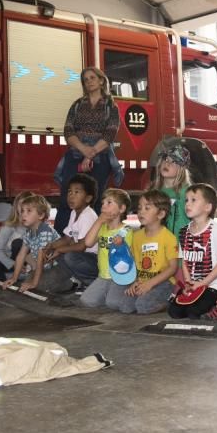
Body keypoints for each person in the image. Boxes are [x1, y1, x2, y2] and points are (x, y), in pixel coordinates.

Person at [53, 67, 122, 232]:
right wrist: (84, 150)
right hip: (76, 153)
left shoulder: (111, 106)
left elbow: (110, 133)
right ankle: (61, 236)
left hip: (101, 156)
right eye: (85, 79)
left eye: (92, 78)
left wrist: (91, 154)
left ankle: (94, 239)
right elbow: (68, 131)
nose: (89, 81)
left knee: (96, 198)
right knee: (68, 196)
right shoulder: (77, 105)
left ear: (101, 80)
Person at [112, 190, 179, 314]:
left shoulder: (169, 237)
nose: (141, 211)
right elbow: (134, 265)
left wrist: (150, 284)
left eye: (147, 208)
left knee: (143, 306)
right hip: (142, 281)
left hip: (162, 282)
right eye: (139, 208)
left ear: (161, 214)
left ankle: (169, 302)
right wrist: (134, 283)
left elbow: (172, 268)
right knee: (125, 307)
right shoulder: (137, 236)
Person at [168, 183, 217, 319]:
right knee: (174, 312)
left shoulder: (216, 230)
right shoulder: (184, 231)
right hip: (193, 284)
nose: (187, 204)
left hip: (213, 285)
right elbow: (184, 260)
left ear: (208, 207)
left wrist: (203, 283)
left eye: (193, 200)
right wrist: (188, 282)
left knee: (193, 312)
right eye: (186, 200)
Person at [78, 189, 133, 308]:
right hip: (103, 276)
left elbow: (130, 255)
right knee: (86, 300)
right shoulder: (102, 227)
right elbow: (88, 243)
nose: (104, 206)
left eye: (109, 203)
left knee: (113, 303)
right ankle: (108, 294)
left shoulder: (127, 230)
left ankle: (123, 294)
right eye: (103, 203)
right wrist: (99, 221)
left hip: (120, 277)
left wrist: (120, 246)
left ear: (121, 209)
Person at [46, 173, 100, 290]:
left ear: (88, 198)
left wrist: (59, 249)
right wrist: (50, 246)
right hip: (82, 257)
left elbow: (81, 246)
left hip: (94, 260)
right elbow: (67, 238)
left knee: (69, 256)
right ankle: (77, 279)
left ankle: (92, 283)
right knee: (60, 256)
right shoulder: (74, 212)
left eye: (76, 192)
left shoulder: (87, 215)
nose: (71, 196)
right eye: (69, 192)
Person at [0, 195, 60, 294]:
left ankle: (69, 282)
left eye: (29, 211)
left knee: (38, 286)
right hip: (43, 267)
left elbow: (41, 258)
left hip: (56, 267)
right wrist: (14, 278)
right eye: (22, 211)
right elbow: (21, 255)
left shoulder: (45, 232)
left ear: (40, 215)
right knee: (25, 284)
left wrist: (34, 283)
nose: (23, 215)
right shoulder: (29, 232)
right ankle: (34, 278)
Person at [0, 191, 35, 283]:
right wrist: (13, 264)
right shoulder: (9, 226)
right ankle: (17, 276)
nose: (24, 211)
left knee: (18, 243)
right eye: (21, 207)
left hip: (27, 262)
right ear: (16, 208)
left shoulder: (36, 227)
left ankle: (24, 274)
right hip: (10, 261)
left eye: (28, 208)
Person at [147, 142, 193, 240]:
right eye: (166, 159)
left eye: (174, 162)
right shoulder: (153, 191)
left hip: (180, 246)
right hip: (158, 244)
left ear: (181, 169)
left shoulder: (187, 192)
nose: (167, 163)